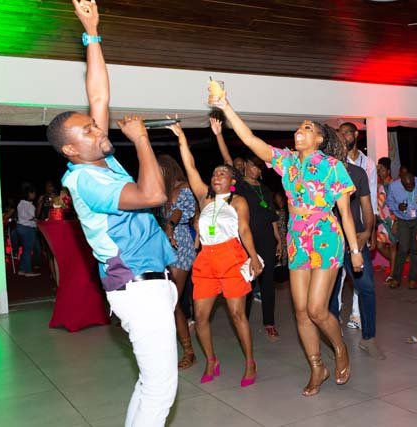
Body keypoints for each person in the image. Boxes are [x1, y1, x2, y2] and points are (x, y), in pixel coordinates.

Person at [46, 2, 178, 425]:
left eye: (94, 124)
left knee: (148, 384)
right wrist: (141, 140)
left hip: (147, 285)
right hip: (140, 290)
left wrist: (92, 32)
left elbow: (98, 95)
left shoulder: (98, 160)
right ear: (71, 149)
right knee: (161, 390)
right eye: (88, 130)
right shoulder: (86, 180)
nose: (97, 129)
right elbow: (154, 194)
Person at [212, 95, 363, 397]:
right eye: (298, 127)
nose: (299, 131)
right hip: (297, 238)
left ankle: (339, 347)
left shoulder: (333, 166)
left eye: (307, 128)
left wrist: (355, 251)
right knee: (300, 311)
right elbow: (251, 140)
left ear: (319, 139)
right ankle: (317, 367)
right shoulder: (287, 161)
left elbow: (345, 213)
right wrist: (226, 107)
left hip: (326, 236)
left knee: (317, 309)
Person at [171, 121, 260, 388]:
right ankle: (211, 360)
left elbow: (244, 229)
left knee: (237, 314)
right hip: (206, 259)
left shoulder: (238, 201)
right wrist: (181, 138)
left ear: (232, 181)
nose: (216, 176)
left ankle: (250, 362)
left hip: (232, 256)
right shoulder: (204, 198)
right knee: (200, 316)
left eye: (222, 173)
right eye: (214, 174)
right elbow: (190, 167)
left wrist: (253, 257)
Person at [210, 116, 282, 342]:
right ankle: (244, 320)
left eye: (256, 167)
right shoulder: (239, 185)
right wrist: (219, 135)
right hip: (247, 239)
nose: (252, 169)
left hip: (267, 238)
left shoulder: (266, 190)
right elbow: (227, 161)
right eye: (250, 165)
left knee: (268, 281)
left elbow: (272, 216)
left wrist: (278, 239)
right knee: (246, 281)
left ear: (260, 171)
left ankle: (269, 322)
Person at [328, 142, 385, 360]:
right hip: (330, 241)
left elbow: (367, 206)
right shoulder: (322, 173)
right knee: (331, 291)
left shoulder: (357, 172)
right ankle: (335, 338)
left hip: (356, 240)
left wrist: (368, 231)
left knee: (367, 288)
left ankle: (369, 338)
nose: (338, 149)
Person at [156, 154, 198, 370]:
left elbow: (179, 212)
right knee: (165, 301)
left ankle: (189, 352)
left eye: (160, 169)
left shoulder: (183, 188)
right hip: (162, 245)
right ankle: (169, 349)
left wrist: (170, 226)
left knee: (171, 300)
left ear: (168, 168)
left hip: (179, 244)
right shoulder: (161, 190)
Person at [337, 122, 379, 330]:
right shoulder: (329, 168)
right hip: (334, 235)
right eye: (340, 134)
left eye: (347, 133)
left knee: (364, 284)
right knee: (335, 283)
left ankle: (361, 322)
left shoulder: (365, 166)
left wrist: (369, 232)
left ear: (355, 135)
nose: (343, 137)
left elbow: (370, 202)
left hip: (359, 231)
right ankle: (334, 318)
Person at [385, 168, 417, 289]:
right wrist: (398, 206)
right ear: (401, 183)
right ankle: (396, 278)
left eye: (412, 185)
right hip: (403, 220)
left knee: (416, 249)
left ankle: (413, 279)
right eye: (407, 186)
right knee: (403, 248)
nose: (411, 188)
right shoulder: (394, 187)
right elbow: (389, 202)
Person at [375, 157, 397, 280]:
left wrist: (396, 222)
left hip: (392, 220)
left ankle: (392, 274)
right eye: (379, 170)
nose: (380, 172)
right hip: (382, 221)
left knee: (393, 247)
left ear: (388, 171)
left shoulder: (394, 185)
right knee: (380, 245)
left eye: (382, 169)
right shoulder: (379, 185)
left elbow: (399, 204)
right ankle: (398, 263)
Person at [16, 182, 41, 277]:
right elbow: (36, 215)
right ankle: (28, 271)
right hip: (28, 228)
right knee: (27, 250)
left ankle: (22, 269)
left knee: (25, 249)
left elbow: (27, 217)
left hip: (20, 227)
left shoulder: (20, 203)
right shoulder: (29, 205)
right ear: (29, 194)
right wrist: (39, 203)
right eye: (33, 193)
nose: (34, 195)